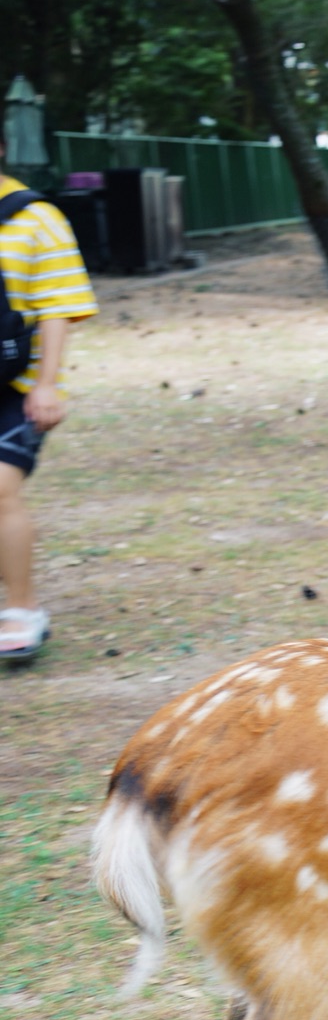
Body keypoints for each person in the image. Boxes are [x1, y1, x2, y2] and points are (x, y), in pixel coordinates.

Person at [0, 142, 98, 660]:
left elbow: (59, 304)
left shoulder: (36, 217)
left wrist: (48, 384)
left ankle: (21, 608)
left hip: (15, 388)